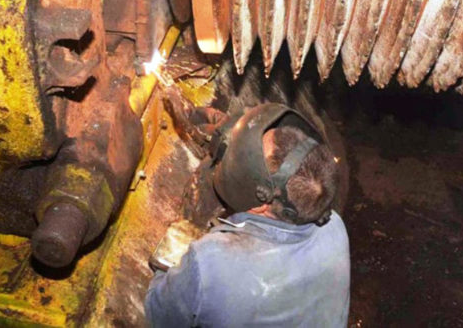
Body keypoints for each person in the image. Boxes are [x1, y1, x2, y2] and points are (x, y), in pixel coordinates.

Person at [145, 103, 350, 327]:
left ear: (262, 201)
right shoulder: (334, 228)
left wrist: (175, 247)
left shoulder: (211, 262)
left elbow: (159, 315)